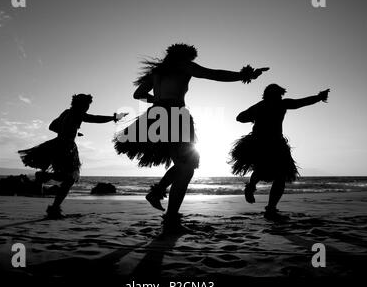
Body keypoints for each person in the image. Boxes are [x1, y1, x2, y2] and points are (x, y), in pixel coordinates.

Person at [113, 43, 268, 232]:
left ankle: (160, 198)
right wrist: (244, 75)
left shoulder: (157, 71)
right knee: (187, 167)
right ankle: (170, 219)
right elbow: (214, 74)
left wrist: (158, 101)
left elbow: (138, 94)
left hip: (156, 116)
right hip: (175, 115)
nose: (191, 62)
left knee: (184, 164)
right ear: (185, 56)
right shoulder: (183, 65)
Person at [229, 84, 330, 220]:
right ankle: (256, 193)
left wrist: (318, 97)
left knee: (277, 175)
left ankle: (268, 205)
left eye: (279, 95)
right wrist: (319, 97)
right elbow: (240, 117)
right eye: (276, 95)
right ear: (270, 95)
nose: (278, 97)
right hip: (262, 143)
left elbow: (300, 102)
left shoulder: (267, 105)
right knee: (265, 171)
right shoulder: (270, 105)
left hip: (274, 143)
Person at [18, 94, 127, 219]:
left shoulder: (67, 112)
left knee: (67, 178)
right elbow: (95, 118)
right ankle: (51, 198)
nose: (87, 108)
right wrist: (114, 117)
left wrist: (73, 130)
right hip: (65, 147)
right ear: (80, 105)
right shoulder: (77, 113)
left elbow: (52, 126)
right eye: (86, 105)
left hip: (56, 144)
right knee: (69, 178)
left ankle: (53, 206)